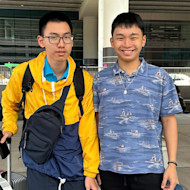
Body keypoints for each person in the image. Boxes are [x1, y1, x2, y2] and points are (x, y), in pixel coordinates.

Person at [0, 11, 99, 190]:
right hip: (38, 159)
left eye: (66, 37)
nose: (61, 44)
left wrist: (91, 171)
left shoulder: (83, 80)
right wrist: (9, 127)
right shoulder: (24, 74)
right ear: (41, 41)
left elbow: (88, 128)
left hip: (73, 164)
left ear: (72, 40)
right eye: (53, 37)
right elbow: (9, 102)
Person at [93, 12, 182, 190]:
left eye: (133, 37)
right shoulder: (99, 79)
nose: (127, 44)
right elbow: (95, 122)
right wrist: (92, 164)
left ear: (143, 40)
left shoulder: (160, 77)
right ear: (112, 42)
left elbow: (168, 120)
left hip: (149, 169)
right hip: (108, 169)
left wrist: (171, 164)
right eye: (120, 38)